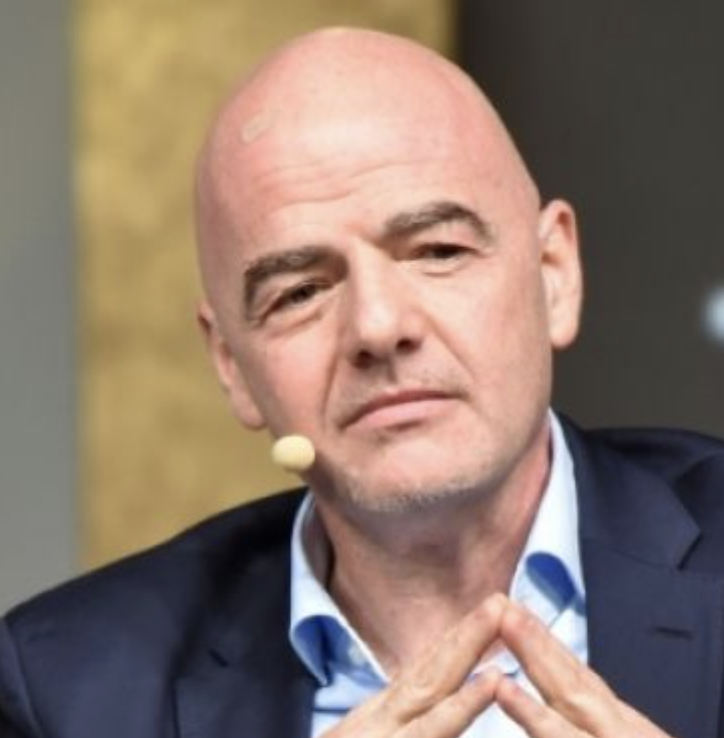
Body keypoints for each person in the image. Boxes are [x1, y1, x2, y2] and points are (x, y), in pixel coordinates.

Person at [2, 27, 724, 738]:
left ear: (553, 275)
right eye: (300, 292)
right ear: (231, 365)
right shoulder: (66, 692)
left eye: (437, 250)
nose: (378, 327)